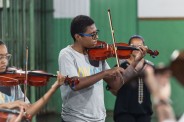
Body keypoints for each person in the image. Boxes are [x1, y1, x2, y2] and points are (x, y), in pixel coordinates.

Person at [58, 15, 147, 122]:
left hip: (99, 119)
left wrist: (135, 62)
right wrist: (105, 73)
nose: (96, 37)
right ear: (78, 37)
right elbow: (75, 84)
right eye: (92, 35)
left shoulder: (97, 54)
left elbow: (116, 84)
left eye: (96, 33)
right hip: (75, 118)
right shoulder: (67, 54)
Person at [0, 40, 65, 122]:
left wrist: (53, 89)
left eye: (6, 56)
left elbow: (28, 111)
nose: (4, 61)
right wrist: (8, 105)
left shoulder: (12, 82)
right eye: (0, 57)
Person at [112, 35, 153, 122]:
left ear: (145, 48)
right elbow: (113, 89)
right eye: (133, 46)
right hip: (124, 112)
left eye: (140, 45)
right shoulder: (120, 66)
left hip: (144, 112)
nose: (137, 48)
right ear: (128, 47)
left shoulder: (150, 67)